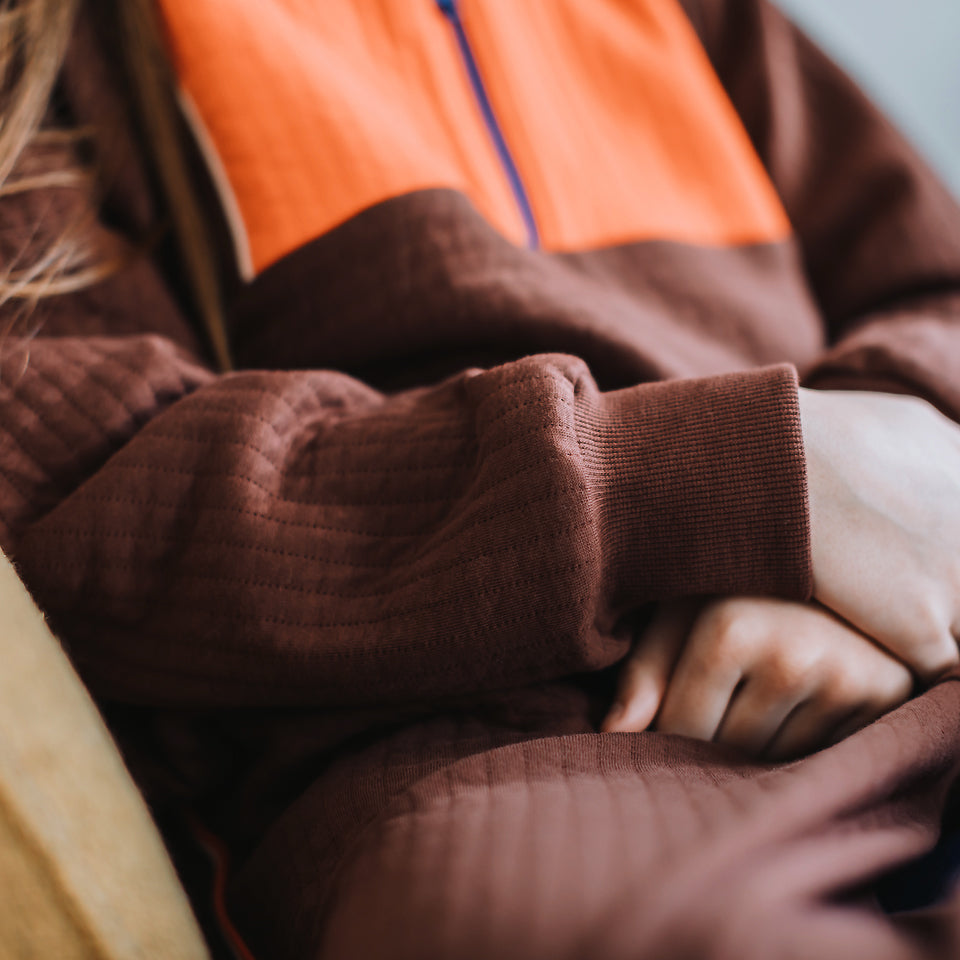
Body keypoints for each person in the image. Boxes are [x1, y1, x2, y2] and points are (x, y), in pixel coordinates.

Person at [2, 0, 960, 957]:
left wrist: (865, 519)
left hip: (915, 623)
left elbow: (937, 283)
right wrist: (738, 478)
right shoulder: (64, 42)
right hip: (513, 751)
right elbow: (87, 485)